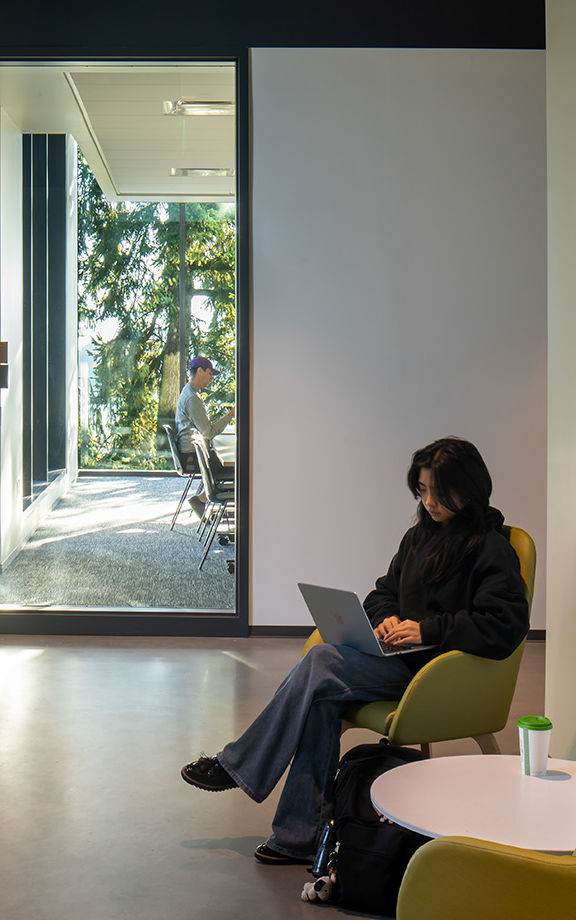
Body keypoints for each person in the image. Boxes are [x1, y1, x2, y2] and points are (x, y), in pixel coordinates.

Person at [179, 437, 529, 865]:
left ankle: (237, 764)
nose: (429, 501)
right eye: (422, 491)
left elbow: (505, 625)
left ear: (469, 488)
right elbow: (382, 592)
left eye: (438, 491)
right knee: (321, 699)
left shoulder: (491, 549)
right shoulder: (419, 537)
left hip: (438, 675)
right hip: (400, 662)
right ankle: (297, 837)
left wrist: (427, 630)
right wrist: (385, 618)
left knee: (322, 661)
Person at [175, 356, 235, 517]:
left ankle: (204, 499)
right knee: (240, 469)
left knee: (237, 467)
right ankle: (212, 500)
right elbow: (208, 432)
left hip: (190, 450)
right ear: (199, 371)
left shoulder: (189, 392)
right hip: (192, 455)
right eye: (209, 373)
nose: (211, 378)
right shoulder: (192, 398)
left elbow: (205, 427)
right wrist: (231, 414)